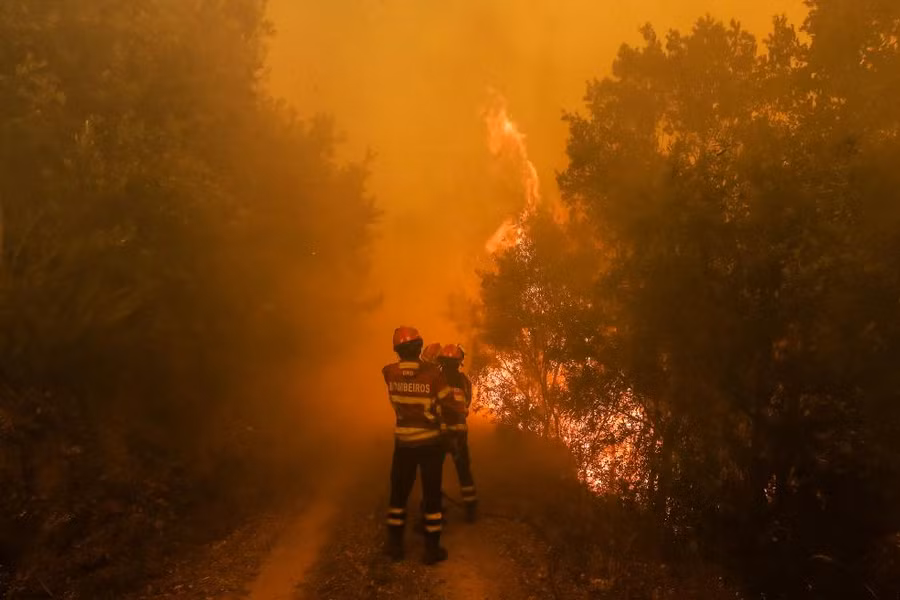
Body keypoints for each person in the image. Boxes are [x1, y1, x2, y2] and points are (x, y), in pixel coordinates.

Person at [382, 326, 451, 564]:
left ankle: (395, 546)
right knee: (432, 497)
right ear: (419, 347)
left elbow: (400, 375)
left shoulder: (389, 372)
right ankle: (431, 551)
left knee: (398, 496)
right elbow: (447, 404)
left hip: (404, 444)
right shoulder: (434, 375)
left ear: (397, 349)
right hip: (430, 444)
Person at [437, 343, 478, 522]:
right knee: (463, 471)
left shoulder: (436, 379)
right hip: (459, 432)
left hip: (440, 432)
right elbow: (467, 402)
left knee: (434, 471)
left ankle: (434, 508)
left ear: (441, 361)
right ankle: (471, 508)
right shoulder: (465, 381)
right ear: (459, 362)